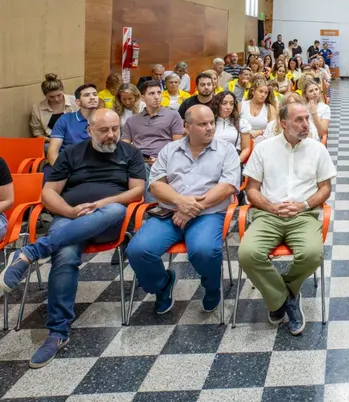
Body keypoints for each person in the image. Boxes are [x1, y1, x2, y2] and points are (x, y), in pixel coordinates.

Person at [0, 109, 145, 368]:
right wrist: (69, 211)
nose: (111, 134)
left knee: (116, 209)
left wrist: (102, 203)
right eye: (104, 130)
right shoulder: (71, 153)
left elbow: (136, 192)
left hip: (108, 221)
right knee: (65, 255)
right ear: (89, 130)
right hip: (69, 217)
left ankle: (31, 252)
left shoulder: (129, 153)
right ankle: (58, 332)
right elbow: (49, 194)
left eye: (115, 129)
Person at [126, 104, 240, 315]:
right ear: (186, 127)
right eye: (202, 124)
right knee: (137, 250)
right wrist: (180, 202)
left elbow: (227, 186)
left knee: (204, 250)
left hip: (209, 213)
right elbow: (156, 184)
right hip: (170, 213)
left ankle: (212, 286)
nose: (210, 128)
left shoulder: (226, 150)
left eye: (211, 123)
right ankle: (162, 285)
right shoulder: (170, 149)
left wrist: (191, 209)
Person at [238, 101, 334, 335]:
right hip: (268, 214)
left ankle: (280, 294)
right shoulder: (264, 148)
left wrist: (303, 205)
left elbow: (325, 188)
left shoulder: (317, 149)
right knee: (247, 254)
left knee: (312, 254)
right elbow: (251, 189)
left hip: (303, 215)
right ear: (283, 124)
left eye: (306, 119)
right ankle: (285, 298)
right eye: (298, 120)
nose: (305, 124)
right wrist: (271, 207)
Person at [122, 80, 185, 177]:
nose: (157, 97)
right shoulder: (132, 121)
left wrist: (160, 160)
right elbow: (124, 147)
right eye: (151, 93)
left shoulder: (173, 115)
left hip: (164, 161)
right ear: (143, 98)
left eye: (159, 93)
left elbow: (177, 145)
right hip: (140, 161)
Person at [47, 84, 100, 166]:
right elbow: (52, 153)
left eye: (95, 94)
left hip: (97, 167)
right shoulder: (65, 120)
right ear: (78, 102)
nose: (92, 97)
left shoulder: (106, 119)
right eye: (87, 95)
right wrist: (61, 172)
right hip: (69, 166)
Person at [30, 74, 77, 140]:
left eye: (59, 95)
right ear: (45, 95)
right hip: (51, 140)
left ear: (62, 90)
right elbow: (37, 132)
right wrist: (46, 139)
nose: (56, 99)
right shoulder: (37, 108)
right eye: (51, 97)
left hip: (75, 138)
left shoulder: (75, 101)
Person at [212, 91, 252, 164]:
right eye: (224, 103)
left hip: (234, 161)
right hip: (212, 161)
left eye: (231, 104)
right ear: (217, 105)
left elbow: (246, 148)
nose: (228, 107)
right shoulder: (210, 122)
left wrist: (236, 163)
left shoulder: (241, 123)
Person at [242, 76, 279, 141]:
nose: (263, 95)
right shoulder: (242, 105)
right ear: (253, 91)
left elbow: (274, 130)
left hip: (263, 143)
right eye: (260, 91)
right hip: (242, 140)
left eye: (266, 93)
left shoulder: (270, 108)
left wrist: (259, 132)